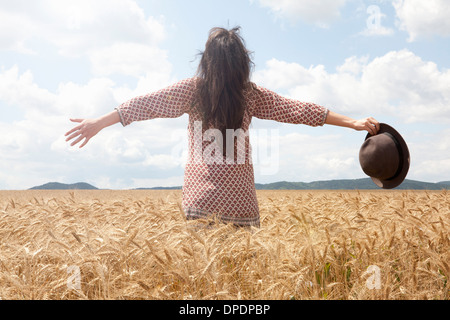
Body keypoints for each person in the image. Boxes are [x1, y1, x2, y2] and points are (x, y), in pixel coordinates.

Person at [65, 27, 380, 228]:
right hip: (241, 203)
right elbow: (299, 110)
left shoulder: (193, 90)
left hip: (200, 201)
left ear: (208, 61)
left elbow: (145, 104)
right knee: (241, 284)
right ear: (242, 62)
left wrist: (100, 122)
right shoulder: (251, 94)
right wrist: (352, 122)